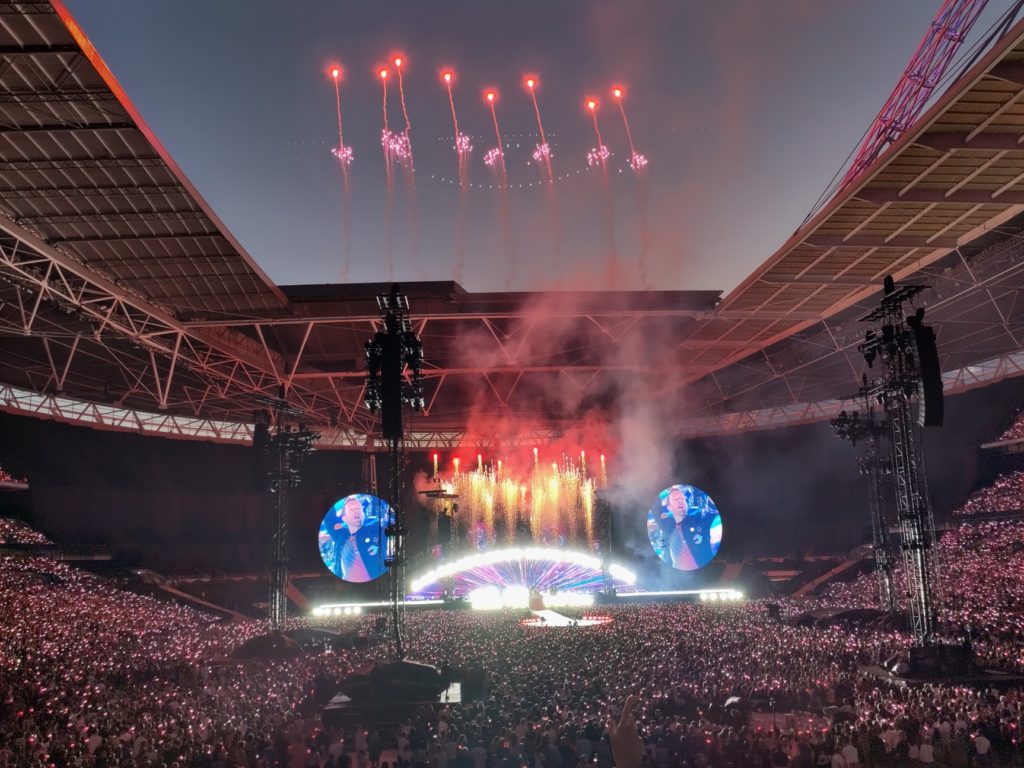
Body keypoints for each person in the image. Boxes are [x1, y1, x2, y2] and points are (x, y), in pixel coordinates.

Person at [325, 496, 386, 582]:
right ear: (344, 518)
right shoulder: (341, 536)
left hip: (373, 588)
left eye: (358, 508)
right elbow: (329, 518)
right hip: (347, 590)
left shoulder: (375, 530)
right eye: (352, 509)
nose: (356, 511)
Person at [655, 487, 714, 571]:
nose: (680, 501)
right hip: (678, 579)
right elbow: (655, 507)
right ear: (669, 507)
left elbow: (710, 509)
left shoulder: (699, 520)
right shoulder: (668, 527)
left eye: (682, 498)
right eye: (675, 499)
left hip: (704, 574)